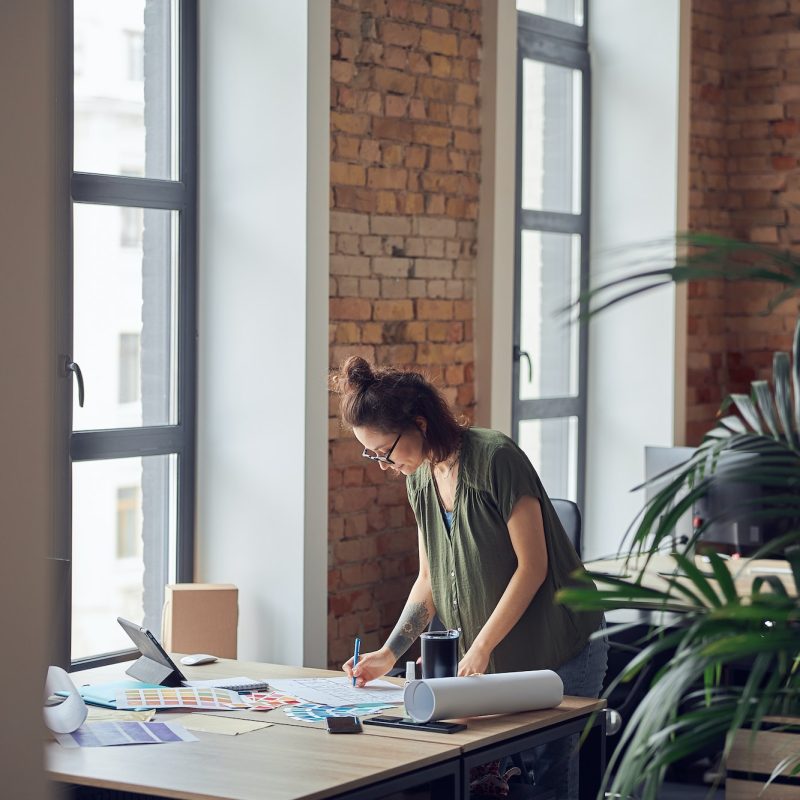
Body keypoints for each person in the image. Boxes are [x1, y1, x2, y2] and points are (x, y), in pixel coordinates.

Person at [333, 356, 607, 799]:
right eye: (372, 455)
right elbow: (429, 577)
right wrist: (388, 653)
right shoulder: (419, 479)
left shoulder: (495, 458)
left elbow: (532, 567)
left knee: (552, 780)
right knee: (493, 782)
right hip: (495, 659)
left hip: (562, 648)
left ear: (419, 423)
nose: (383, 464)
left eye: (385, 451)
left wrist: (480, 646)